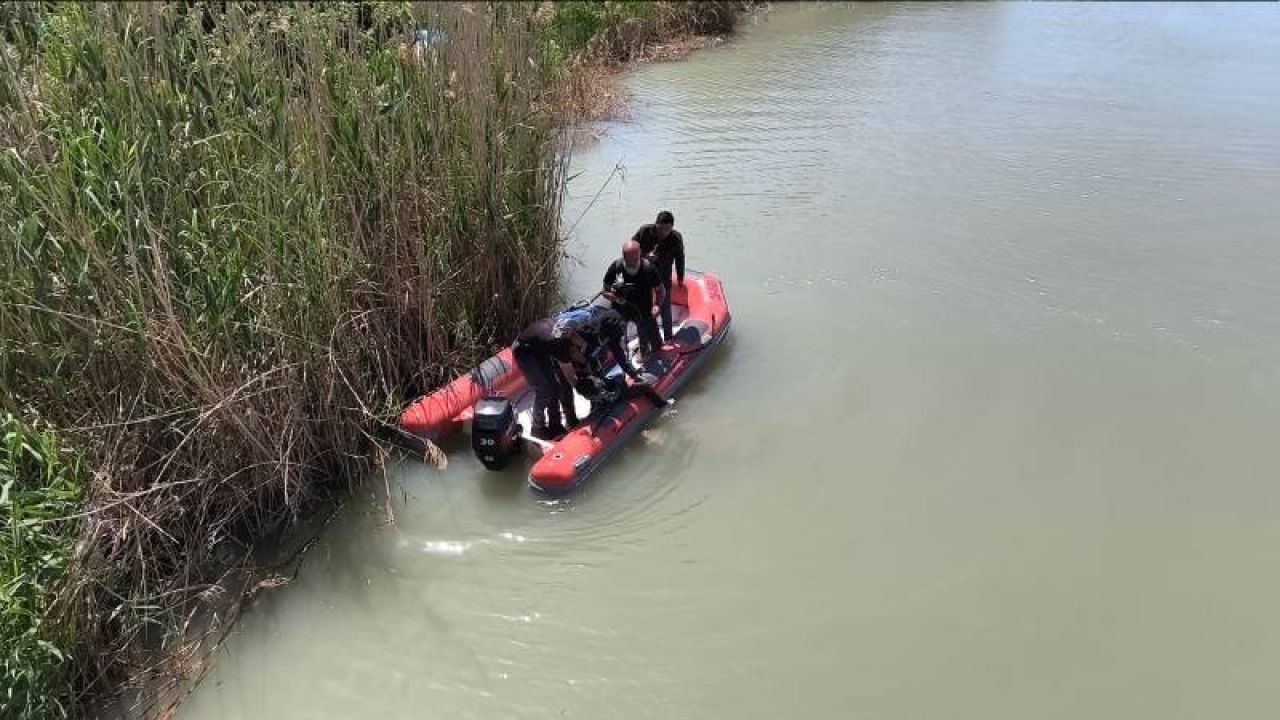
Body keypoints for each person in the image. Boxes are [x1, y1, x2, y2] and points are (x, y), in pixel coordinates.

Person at [512, 315, 583, 440]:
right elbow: (569, 376)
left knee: (555, 386)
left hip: (540, 347)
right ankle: (537, 427)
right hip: (524, 351)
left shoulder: (566, 333)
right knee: (544, 390)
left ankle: (555, 425)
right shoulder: (559, 344)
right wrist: (581, 386)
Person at [601, 240, 664, 360]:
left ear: (639, 255)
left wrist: (657, 305)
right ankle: (617, 355)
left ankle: (648, 351)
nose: (631, 262)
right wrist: (613, 297)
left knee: (648, 331)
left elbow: (660, 290)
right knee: (614, 331)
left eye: (635, 259)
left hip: (643, 308)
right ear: (623, 257)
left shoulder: (648, 269)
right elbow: (605, 290)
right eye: (628, 259)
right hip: (620, 307)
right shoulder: (616, 267)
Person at [631, 210, 685, 342]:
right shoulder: (644, 231)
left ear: (672, 227)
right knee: (644, 310)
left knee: (665, 308)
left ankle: (668, 337)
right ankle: (645, 341)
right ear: (656, 224)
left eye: (667, 229)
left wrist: (680, 278)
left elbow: (680, 258)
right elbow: (631, 250)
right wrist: (644, 256)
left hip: (663, 278)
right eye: (660, 228)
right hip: (644, 277)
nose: (663, 232)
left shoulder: (676, 238)